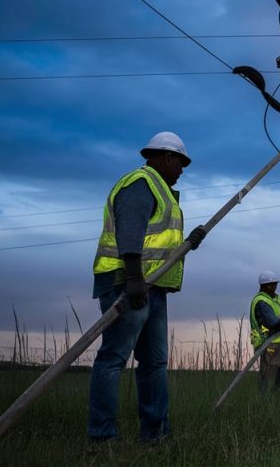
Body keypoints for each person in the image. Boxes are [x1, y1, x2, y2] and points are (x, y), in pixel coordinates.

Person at [88, 131, 207, 443]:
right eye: (181, 163)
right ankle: (102, 438)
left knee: (154, 362)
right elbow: (130, 231)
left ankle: (156, 435)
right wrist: (133, 279)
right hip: (127, 284)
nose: (182, 170)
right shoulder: (140, 183)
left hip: (152, 287)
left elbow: (159, 241)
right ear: (167, 157)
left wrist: (189, 244)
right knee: (113, 359)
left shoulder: (164, 192)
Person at [249, 270, 280, 393]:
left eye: (275, 284)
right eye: (271, 284)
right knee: (268, 379)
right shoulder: (261, 301)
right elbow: (271, 323)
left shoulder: (277, 298)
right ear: (263, 286)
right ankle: (263, 405)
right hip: (269, 345)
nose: (274, 287)